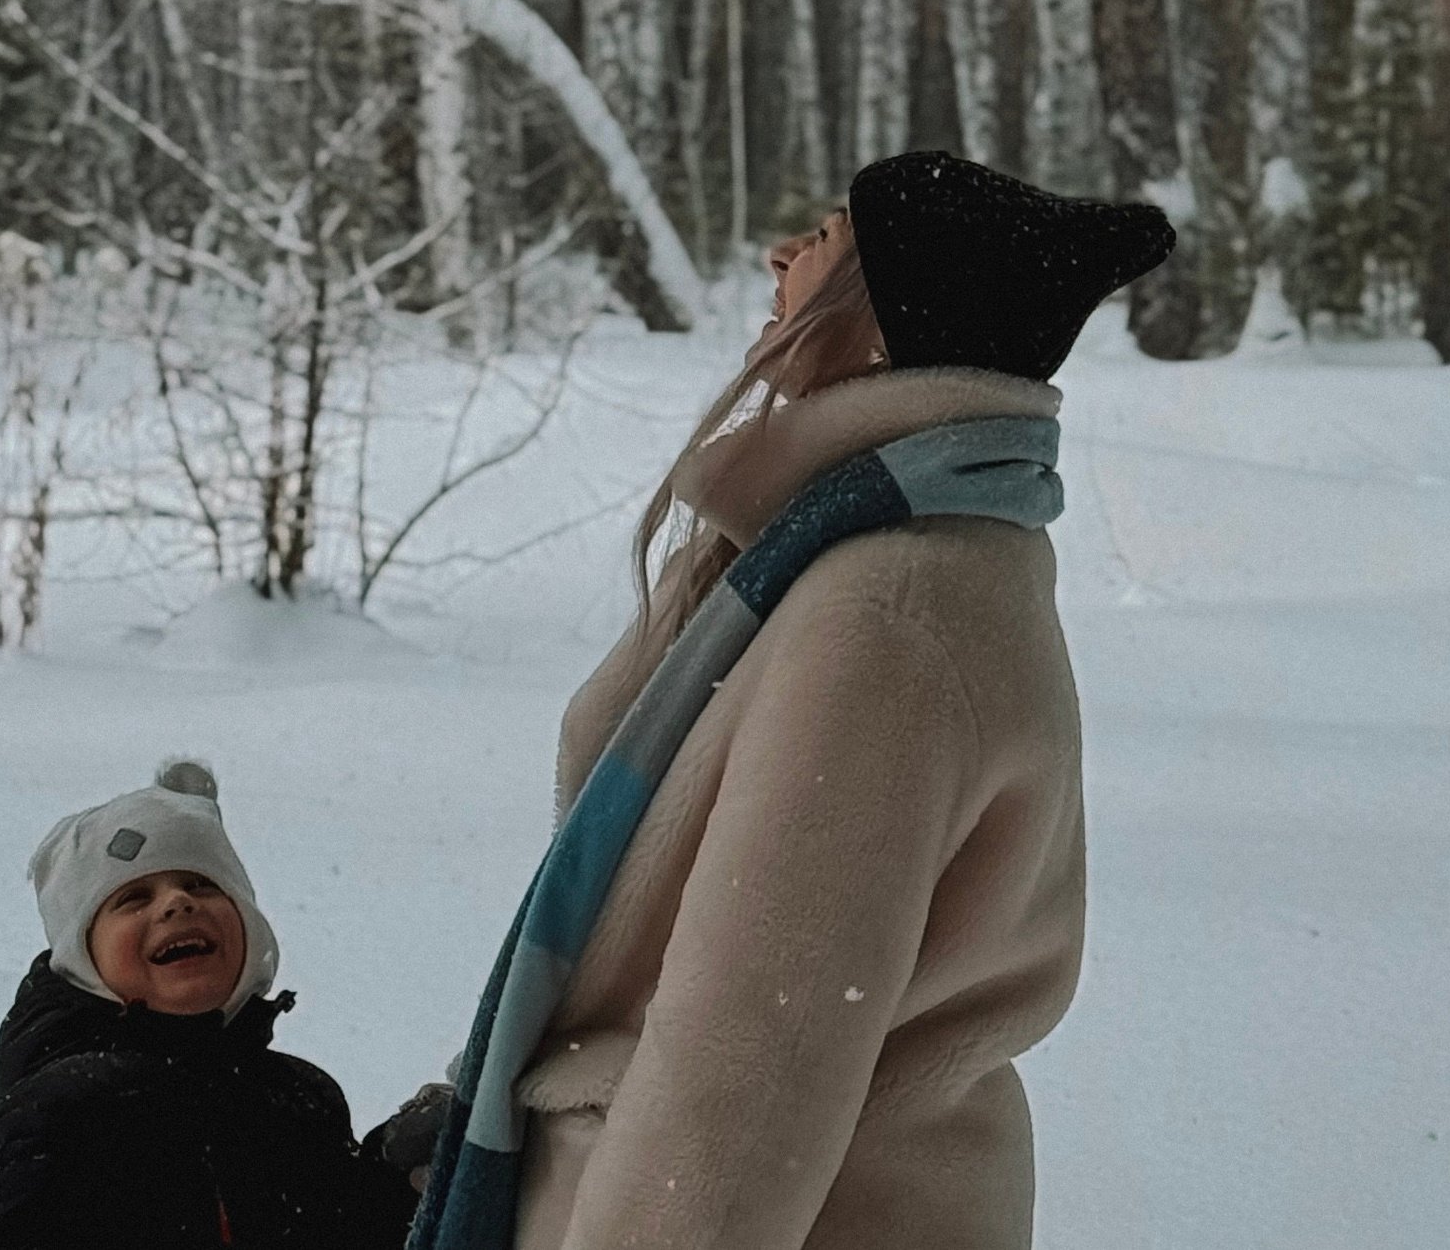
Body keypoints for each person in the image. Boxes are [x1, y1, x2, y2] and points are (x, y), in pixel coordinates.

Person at [410, 147, 1176, 1250]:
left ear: (886, 317)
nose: (781, 252)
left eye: (824, 233)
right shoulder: (842, 554)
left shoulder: (887, 608)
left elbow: (747, 1057)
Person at [0, 755, 420, 1250]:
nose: (178, 903)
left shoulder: (298, 1097)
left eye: (202, 884)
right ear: (84, 961)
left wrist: (402, 1173)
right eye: (133, 898)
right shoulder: (68, 1112)